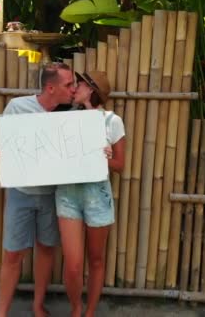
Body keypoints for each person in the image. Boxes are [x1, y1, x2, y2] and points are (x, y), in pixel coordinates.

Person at [0, 62, 76, 317]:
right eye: (68, 84)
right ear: (50, 88)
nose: (73, 89)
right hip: (21, 194)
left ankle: (38, 305)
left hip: (52, 195)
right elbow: (0, 143)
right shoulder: (18, 107)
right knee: (13, 254)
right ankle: (2, 313)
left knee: (47, 249)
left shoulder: (71, 113)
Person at [56, 71, 125, 317]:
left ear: (92, 90)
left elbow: (120, 165)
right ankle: (76, 309)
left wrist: (105, 157)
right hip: (67, 194)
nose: (76, 87)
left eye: (81, 84)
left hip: (97, 196)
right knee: (73, 265)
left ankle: (90, 312)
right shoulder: (66, 118)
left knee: (96, 260)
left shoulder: (112, 121)